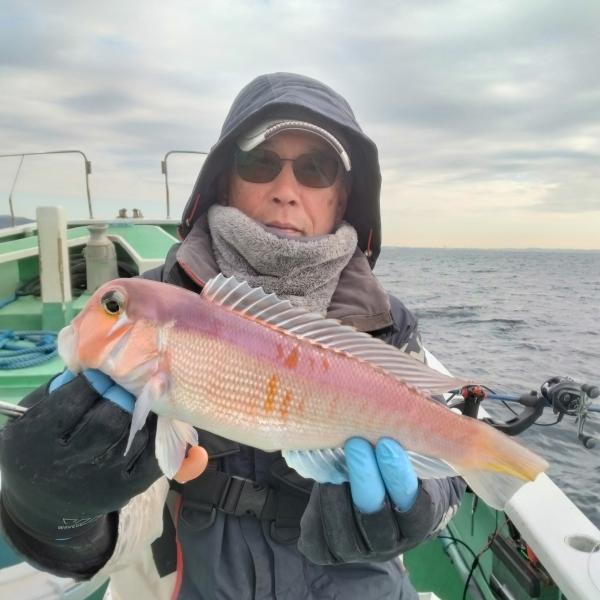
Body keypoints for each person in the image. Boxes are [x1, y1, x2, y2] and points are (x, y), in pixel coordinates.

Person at [0, 72, 465, 599]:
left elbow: (450, 460)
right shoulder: (155, 301)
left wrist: (419, 508)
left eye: (316, 169)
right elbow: (118, 525)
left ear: (343, 199)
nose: (286, 191)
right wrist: (53, 511)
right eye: (259, 162)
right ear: (225, 180)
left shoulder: (387, 320)